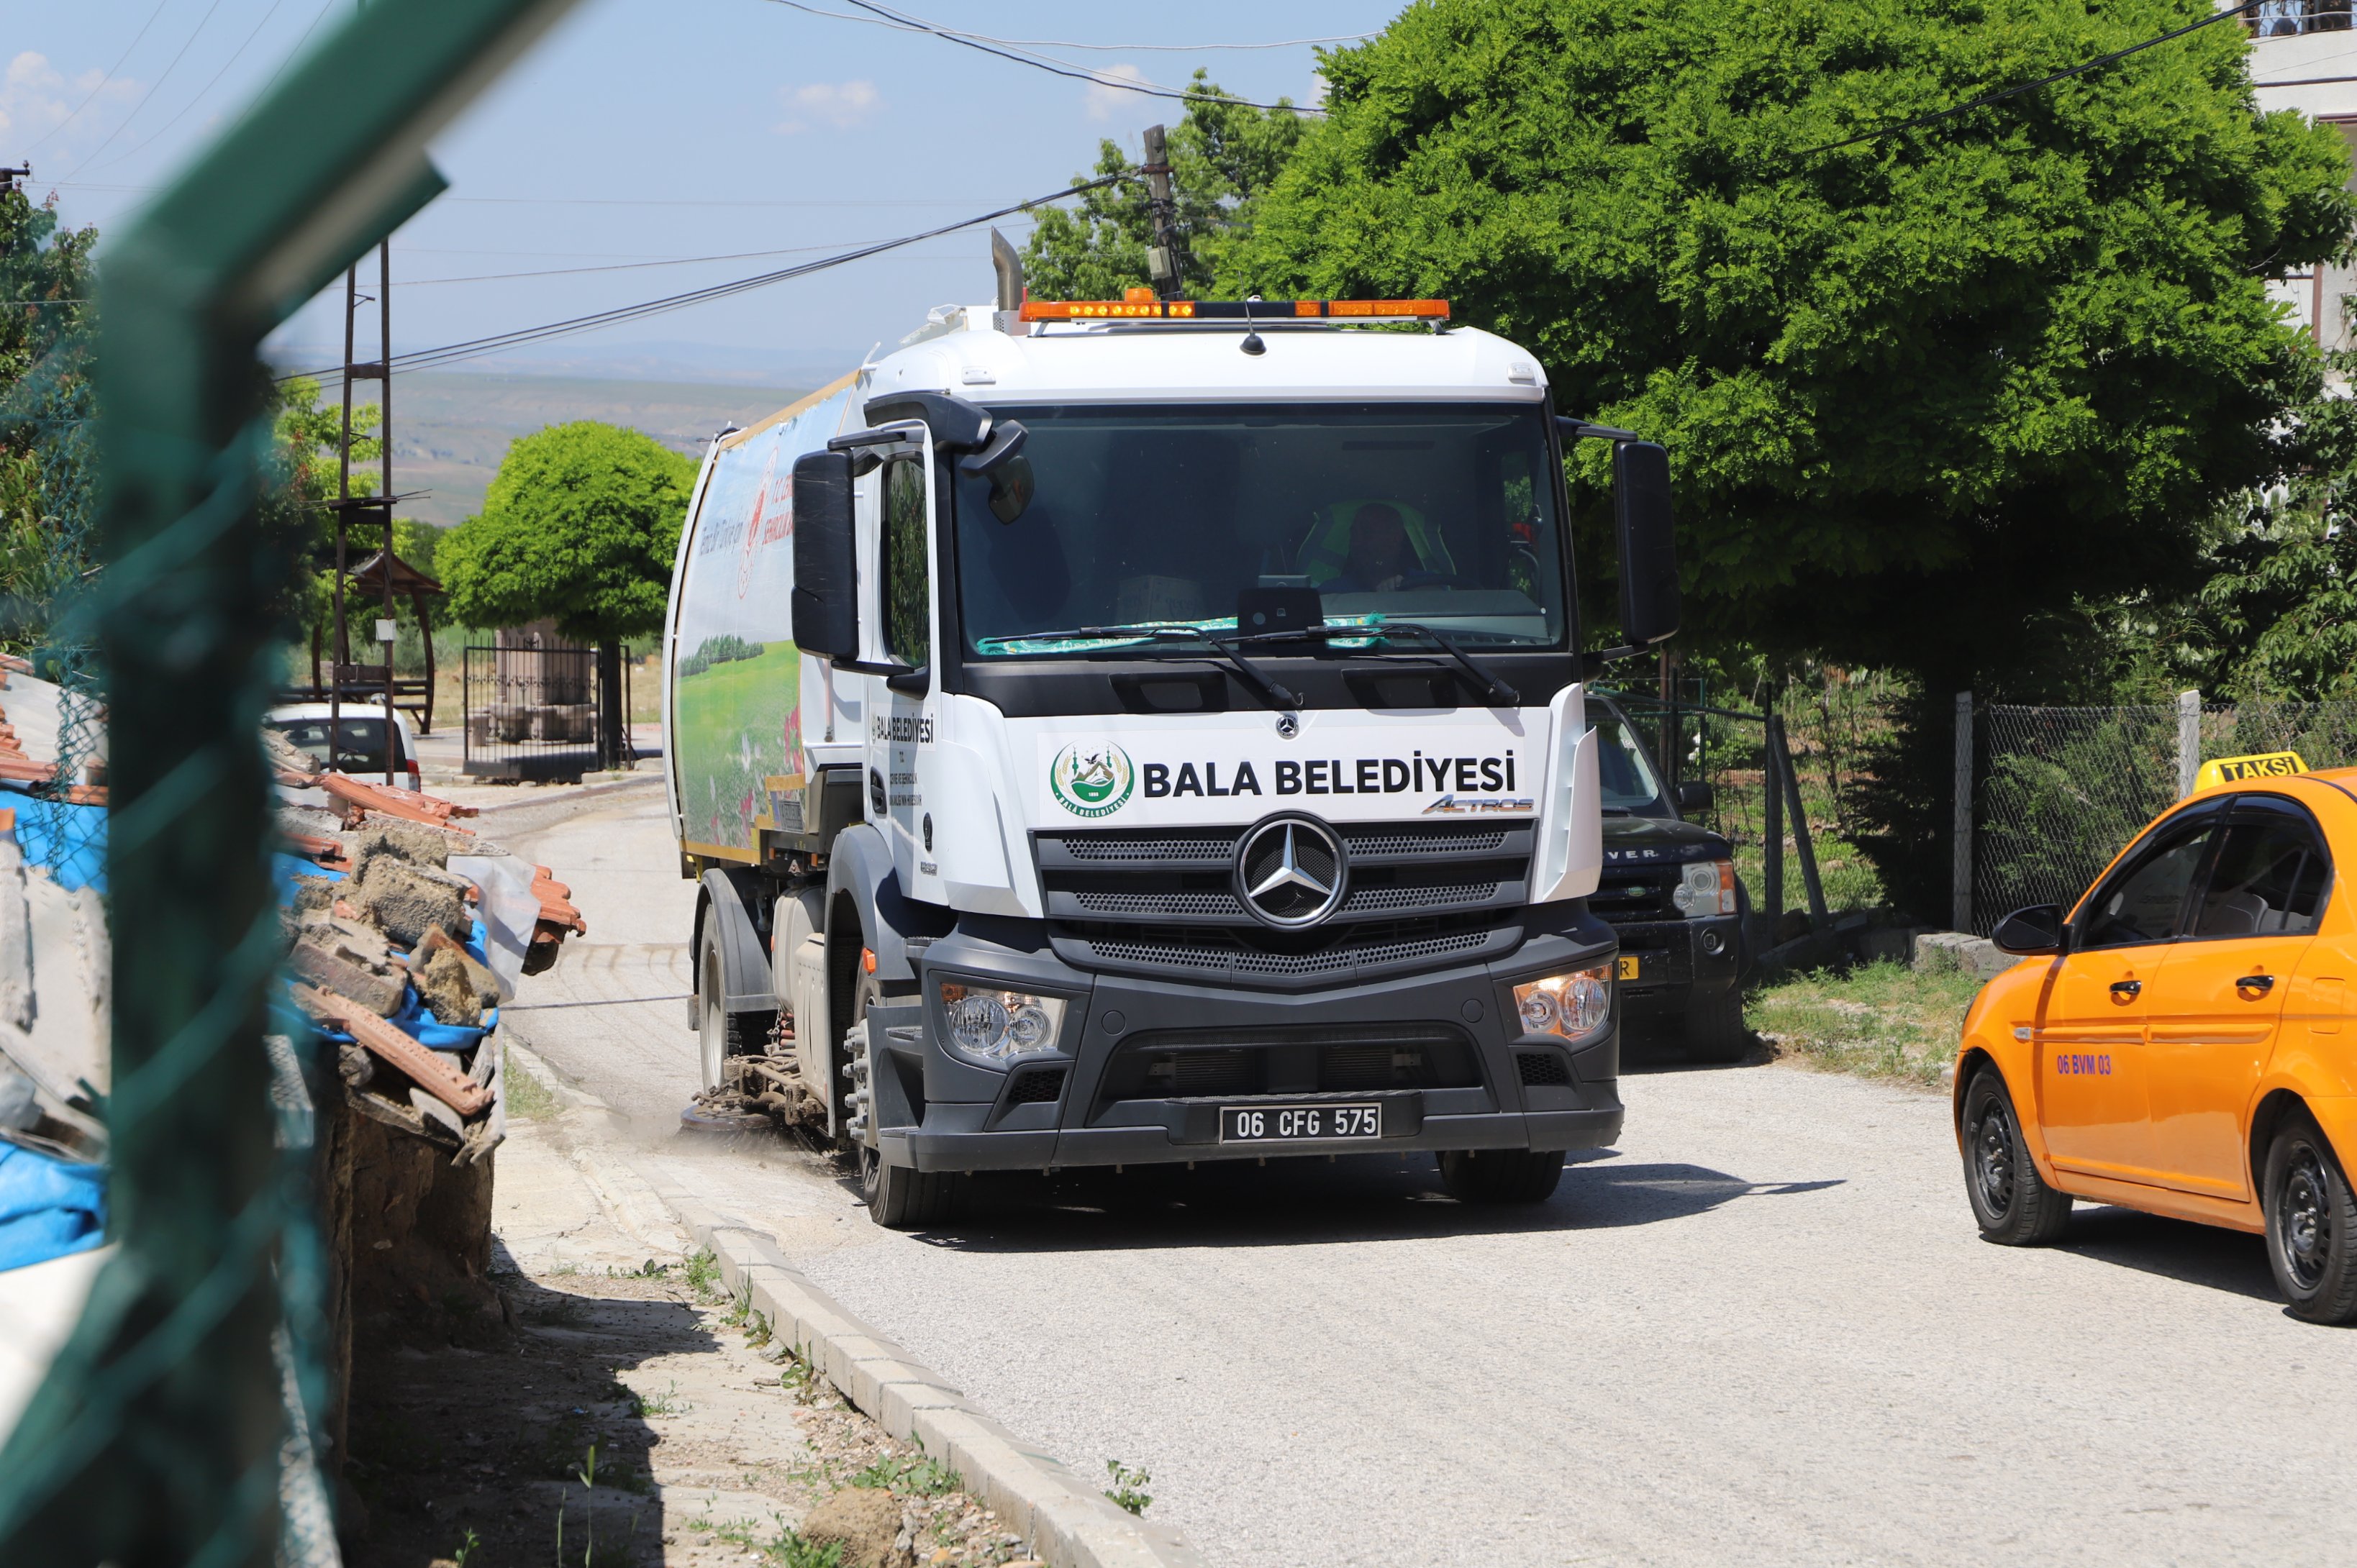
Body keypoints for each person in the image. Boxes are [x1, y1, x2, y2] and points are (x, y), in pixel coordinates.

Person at [1327, 502, 1420, 593]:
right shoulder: (1331, 592)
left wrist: (1408, 590)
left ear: (1396, 538)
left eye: (1367, 532)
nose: (1357, 541)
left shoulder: (1424, 583)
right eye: (1354, 533)